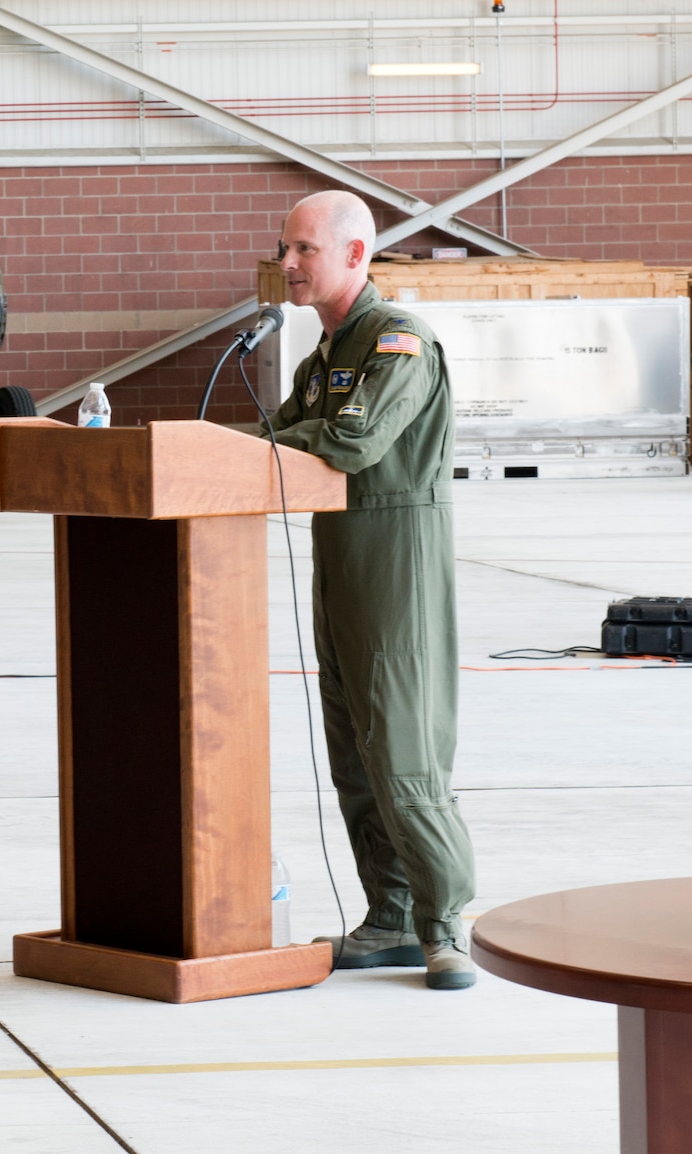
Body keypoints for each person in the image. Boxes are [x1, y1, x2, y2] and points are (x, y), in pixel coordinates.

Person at [268, 190, 477, 990]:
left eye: (304, 250)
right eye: (285, 248)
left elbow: (353, 442)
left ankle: (445, 920)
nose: (287, 264)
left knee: (402, 751)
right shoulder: (320, 361)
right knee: (354, 755)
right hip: (341, 565)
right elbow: (274, 433)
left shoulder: (399, 342)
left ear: (357, 254)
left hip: (397, 565)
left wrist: (279, 438)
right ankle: (388, 915)